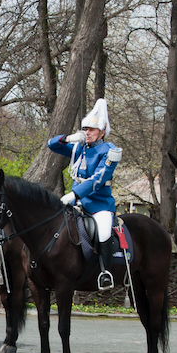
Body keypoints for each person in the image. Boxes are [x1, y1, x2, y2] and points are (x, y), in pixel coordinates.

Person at [47, 98, 122, 290]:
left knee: (104, 231)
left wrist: (75, 194)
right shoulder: (79, 147)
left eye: (92, 130)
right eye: (85, 129)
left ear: (102, 131)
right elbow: (52, 145)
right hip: (76, 201)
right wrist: (69, 138)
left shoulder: (109, 151)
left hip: (99, 203)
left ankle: (105, 272)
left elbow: (98, 179)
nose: (87, 133)